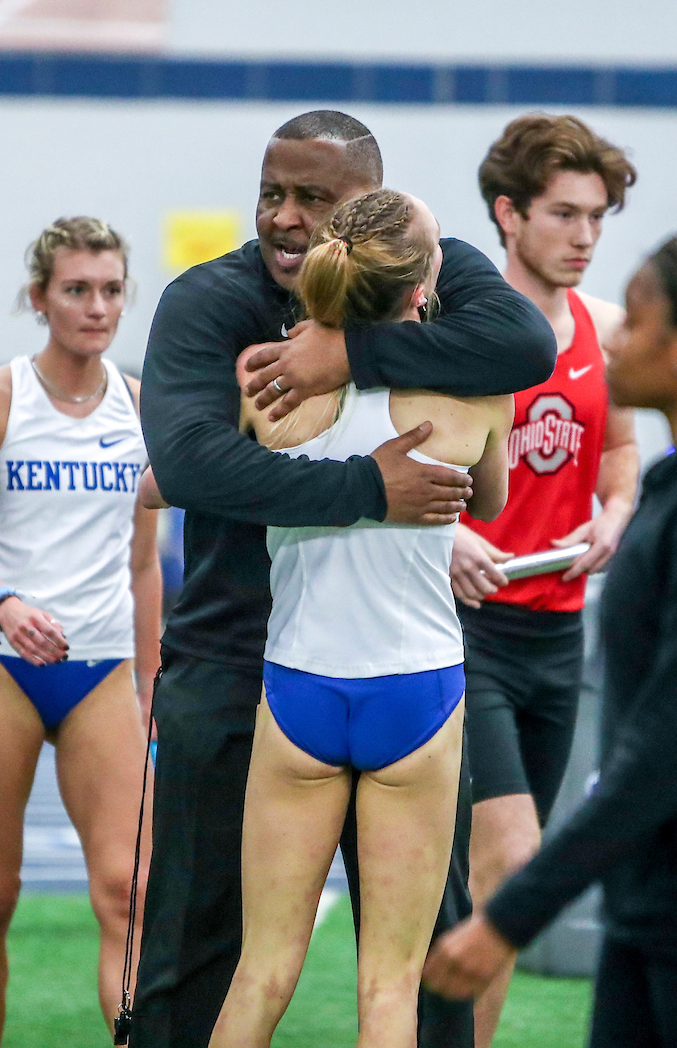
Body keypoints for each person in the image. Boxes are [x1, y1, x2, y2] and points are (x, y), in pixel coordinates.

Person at [132, 109, 557, 1048]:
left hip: (317, 674)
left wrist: (346, 352)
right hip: (253, 663)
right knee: (211, 951)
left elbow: (530, 345)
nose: (285, 218)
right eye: (270, 195)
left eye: (313, 200)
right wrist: (373, 485)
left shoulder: (428, 265)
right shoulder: (208, 300)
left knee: (329, 964)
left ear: (373, 212)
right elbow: (190, 471)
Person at [424, 227, 677, 1048]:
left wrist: (507, 917)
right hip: (655, 908)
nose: (613, 334)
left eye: (638, 319)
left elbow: (667, 745)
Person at [206, 189, 514, 1048]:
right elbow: (488, 501)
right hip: (415, 690)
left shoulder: (264, 379)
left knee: (261, 974)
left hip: (301, 682)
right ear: (423, 290)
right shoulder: (478, 395)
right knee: (389, 990)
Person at [449, 113, 639, 1045]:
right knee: (515, 864)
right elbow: (397, 458)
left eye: (598, 217)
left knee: (500, 885)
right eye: (565, 214)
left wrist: (614, 516)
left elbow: (625, 453)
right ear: (508, 215)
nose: (585, 236)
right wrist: (445, 539)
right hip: (468, 632)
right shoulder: (464, 330)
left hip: (559, 634)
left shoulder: (605, 329)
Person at [0, 217, 161, 1048]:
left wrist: (154, 686)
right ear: (40, 297)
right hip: (0, 663)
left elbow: (145, 563)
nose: (96, 307)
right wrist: (4, 601)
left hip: (102, 668)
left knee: (128, 889)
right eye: (77, 290)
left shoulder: (141, 407)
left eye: (112, 290)